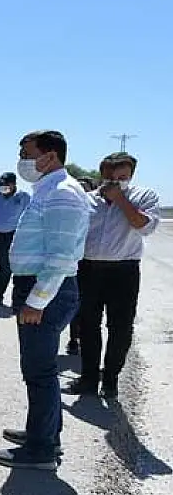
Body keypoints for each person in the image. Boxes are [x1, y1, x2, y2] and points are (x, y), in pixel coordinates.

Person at [0, 130, 93, 471]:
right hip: (40, 287)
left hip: (46, 290)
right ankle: (44, 432)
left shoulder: (63, 194)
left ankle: (42, 449)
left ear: (49, 156)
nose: (22, 160)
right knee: (39, 369)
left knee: (39, 371)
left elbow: (62, 256)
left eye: (27, 153)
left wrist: (37, 300)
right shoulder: (48, 190)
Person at [66, 152, 161, 399]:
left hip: (124, 271)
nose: (115, 182)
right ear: (102, 174)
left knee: (120, 328)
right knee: (87, 325)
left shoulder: (144, 197)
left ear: (131, 176)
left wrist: (120, 200)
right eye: (110, 177)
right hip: (88, 269)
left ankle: (110, 379)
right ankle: (88, 378)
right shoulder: (87, 200)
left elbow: (143, 225)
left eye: (122, 177)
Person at [0, 172, 31, 304]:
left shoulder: (23, 197)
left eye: (6, 183)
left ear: (14, 183)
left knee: (6, 267)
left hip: (11, 236)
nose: (3, 186)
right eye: (1, 183)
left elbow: (28, 218)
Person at [66, 176, 99, 356]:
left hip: (92, 262)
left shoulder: (96, 209)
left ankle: (85, 341)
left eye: (86, 188)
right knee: (75, 304)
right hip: (73, 262)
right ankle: (73, 338)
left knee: (88, 307)